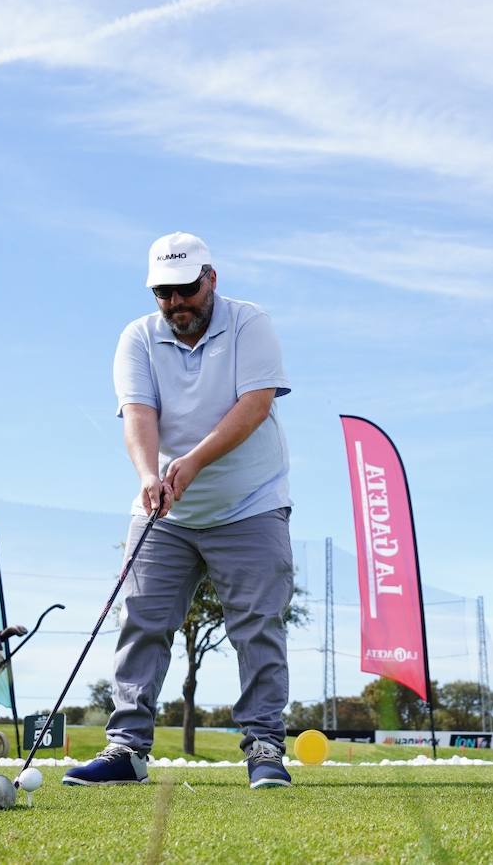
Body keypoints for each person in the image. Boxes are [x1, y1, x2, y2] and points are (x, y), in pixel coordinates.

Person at [63, 231, 295, 790]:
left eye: (186, 289)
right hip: (166, 506)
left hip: (251, 502)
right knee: (141, 620)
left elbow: (255, 405)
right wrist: (150, 475)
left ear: (210, 278)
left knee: (258, 625)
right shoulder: (137, 338)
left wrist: (189, 464)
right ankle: (127, 749)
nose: (176, 304)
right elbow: (138, 415)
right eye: (164, 294)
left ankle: (263, 746)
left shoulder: (248, 323)